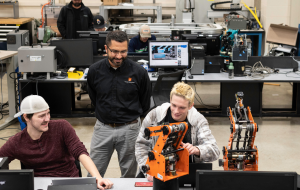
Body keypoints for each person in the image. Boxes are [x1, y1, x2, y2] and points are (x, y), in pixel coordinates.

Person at [0, 95, 113, 190]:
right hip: (40, 185)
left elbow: (80, 151)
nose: (47, 119)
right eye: (41, 116)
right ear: (26, 117)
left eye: (48, 113)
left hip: (69, 182)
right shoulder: (16, 142)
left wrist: (97, 177)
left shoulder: (62, 127)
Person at [87, 30, 151, 178]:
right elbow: (94, 98)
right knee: (93, 174)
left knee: (128, 175)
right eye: (114, 51)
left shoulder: (139, 72)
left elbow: (145, 102)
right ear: (106, 48)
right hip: (102, 129)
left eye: (123, 51)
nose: (119, 56)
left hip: (130, 130)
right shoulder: (94, 71)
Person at [135, 82, 220, 181]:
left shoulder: (198, 120)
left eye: (182, 108)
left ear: (190, 106)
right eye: (174, 105)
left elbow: (214, 151)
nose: (176, 111)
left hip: (186, 174)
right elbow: (141, 145)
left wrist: (197, 150)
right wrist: (149, 170)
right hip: (156, 173)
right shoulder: (154, 116)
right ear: (170, 100)